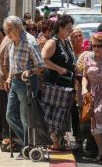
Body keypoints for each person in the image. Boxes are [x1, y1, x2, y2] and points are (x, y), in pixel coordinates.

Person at [3, 15, 44, 159]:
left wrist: (30, 71)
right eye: (6, 30)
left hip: (27, 82)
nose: (7, 34)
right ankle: (28, 143)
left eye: (9, 30)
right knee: (10, 116)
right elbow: (13, 62)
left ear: (19, 27)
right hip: (14, 81)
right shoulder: (12, 41)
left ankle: (28, 146)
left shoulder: (30, 42)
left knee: (25, 117)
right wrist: (8, 77)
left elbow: (41, 66)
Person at [41, 14, 76, 151]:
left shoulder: (66, 42)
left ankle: (59, 142)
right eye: (68, 29)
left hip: (65, 84)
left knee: (63, 114)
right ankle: (54, 142)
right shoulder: (53, 42)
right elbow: (43, 59)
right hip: (54, 84)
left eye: (71, 29)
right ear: (60, 28)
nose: (70, 31)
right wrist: (59, 68)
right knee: (54, 113)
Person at [81, 32, 102, 162]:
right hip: (93, 91)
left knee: (97, 112)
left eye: (99, 46)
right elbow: (84, 76)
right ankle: (101, 151)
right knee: (94, 119)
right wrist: (84, 88)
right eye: (93, 45)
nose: (96, 48)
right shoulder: (87, 57)